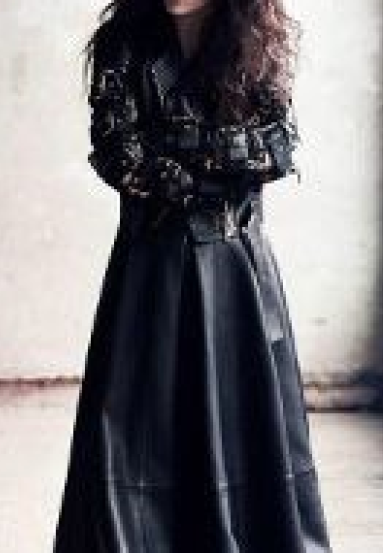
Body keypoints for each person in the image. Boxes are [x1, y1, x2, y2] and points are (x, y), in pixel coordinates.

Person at [52, 0, 334, 551]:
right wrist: (218, 159)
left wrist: (178, 155)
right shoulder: (122, 44)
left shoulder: (260, 40)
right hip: (149, 270)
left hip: (238, 273)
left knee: (245, 432)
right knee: (131, 436)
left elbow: (277, 151)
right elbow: (118, 156)